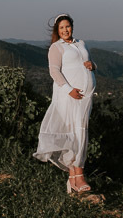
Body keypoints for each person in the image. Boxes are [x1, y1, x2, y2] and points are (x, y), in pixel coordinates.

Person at [33, 13, 96, 193]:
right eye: (61, 28)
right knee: (75, 134)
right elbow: (54, 72)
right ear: (57, 30)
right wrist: (70, 90)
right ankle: (79, 176)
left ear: (72, 27)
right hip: (68, 96)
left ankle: (73, 179)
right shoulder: (56, 47)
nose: (65, 30)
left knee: (80, 132)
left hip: (85, 98)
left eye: (67, 26)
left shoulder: (81, 43)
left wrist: (93, 65)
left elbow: (89, 63)